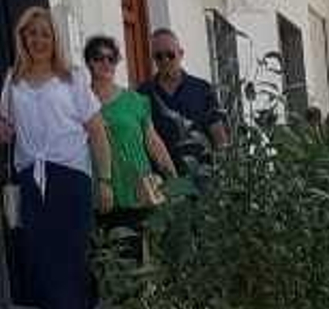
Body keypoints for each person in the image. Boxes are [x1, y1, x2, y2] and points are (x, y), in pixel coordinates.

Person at [0, 4, 114, 309]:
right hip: (29, 177)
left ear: (55, 39)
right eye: (32, 33)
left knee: (72, 250)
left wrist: (104, 179)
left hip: (70, 175)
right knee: (39, 253)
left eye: (45, 34)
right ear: (23, 38)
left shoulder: (73, 78)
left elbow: (96, 131)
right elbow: (7, 125)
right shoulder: (12, 80)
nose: (38, 40)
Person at [84, 34, 175, 268]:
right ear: (89, 62)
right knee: (105, 265)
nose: (105, 63)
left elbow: (153, 142)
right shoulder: (79, 101)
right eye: (98, 58)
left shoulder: (135, 100)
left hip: (137, 190)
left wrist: (173, 178)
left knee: (138, 263)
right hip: (99, 192)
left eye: (111, 58)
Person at [139, 29, 226, 170]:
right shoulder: (143, 94)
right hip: (164, 183)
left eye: (170, 55)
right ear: (153, 58)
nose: (165, 60)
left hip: (203, 178)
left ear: (181, 54)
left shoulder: (202, 89)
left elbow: (218, 133)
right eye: (159, 56)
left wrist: (224, 171)